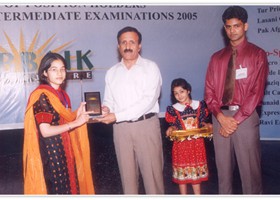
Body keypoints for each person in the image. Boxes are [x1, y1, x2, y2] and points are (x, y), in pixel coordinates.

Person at [204, 6, 268, 194]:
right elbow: (209, 92)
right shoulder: (216, 58)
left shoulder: (258, 54)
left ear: (245, 26)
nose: (232, 30)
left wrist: (235, 120)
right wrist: (221, 118)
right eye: (228, 26)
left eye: (237, 26)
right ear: (225, 28)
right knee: (223, 174)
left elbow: (256, 92)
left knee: (250, 174)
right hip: (219, 117)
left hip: (246, 118)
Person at [97, 26, 164, 194]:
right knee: (128, 182)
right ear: (118, 46)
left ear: (139, 46)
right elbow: (109, 100)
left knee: (153, 180)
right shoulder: (112, 72)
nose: (128, 46)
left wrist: (116, 115)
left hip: (145, 126)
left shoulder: (151, 68)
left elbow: (148, 101)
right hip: (121, 130)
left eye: (132, 42)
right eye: (123, 42)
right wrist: (106, 109)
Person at [23, 52, 95, 194]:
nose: (60, 73)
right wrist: (75, 123)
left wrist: (77, 115)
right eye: (54, 69)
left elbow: (63, 120)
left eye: (62, 69)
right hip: (51, 156)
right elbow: (46, 130)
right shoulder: (42, 95)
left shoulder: (62, 95)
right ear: (45, 73)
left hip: (66, 151)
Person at [165, 78, 212, 195]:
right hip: (181, 146)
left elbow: (202, 123)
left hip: (197, 145)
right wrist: (171, 129)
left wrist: (207, 125)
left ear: (188, 90)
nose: (179, 95)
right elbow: (175, 126)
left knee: (196, 176)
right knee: (183, 178)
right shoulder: (173, 109)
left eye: (181, 91)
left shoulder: (199, 106)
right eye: (176, 93)